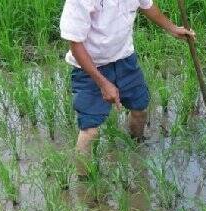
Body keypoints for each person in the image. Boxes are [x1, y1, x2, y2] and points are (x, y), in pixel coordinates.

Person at [60, 0, 195, 177]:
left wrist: (172, 28)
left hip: (124, 59)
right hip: (89, 68)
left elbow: (147, 5)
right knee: (90, 130)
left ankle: (136, 145)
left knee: (140, 109)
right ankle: (85, 183)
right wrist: (103, 83)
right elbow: (75, 44)